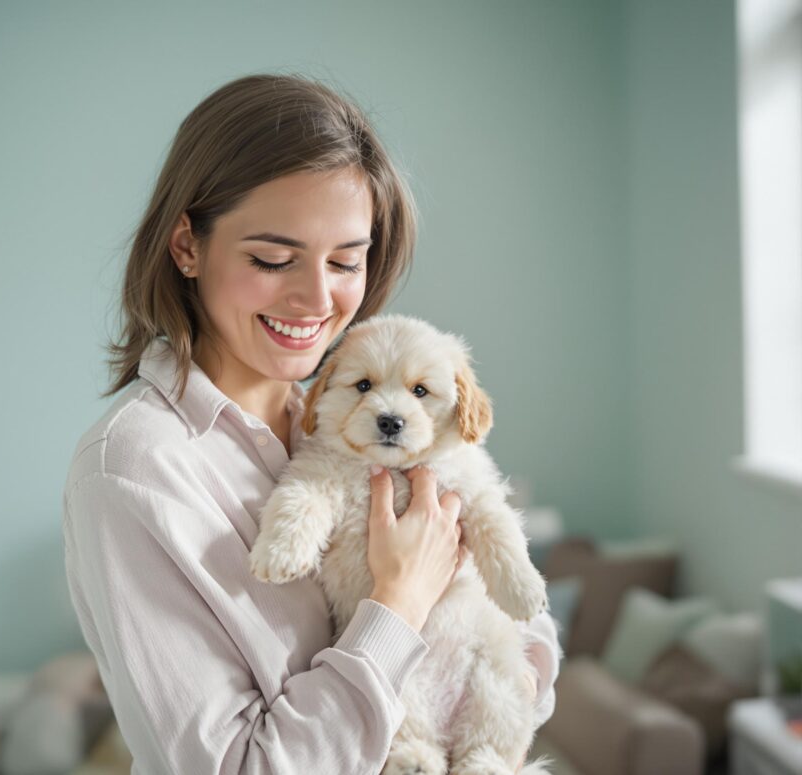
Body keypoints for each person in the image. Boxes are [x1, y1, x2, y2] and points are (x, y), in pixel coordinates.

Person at [62, 73, 561, 775]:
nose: (317, 299)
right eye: (273, 258)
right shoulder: (134, 470)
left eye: (347, 261)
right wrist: (401, 601)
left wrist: (485, 710)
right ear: (187, 246)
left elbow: (529, 647)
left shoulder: (348, 411)